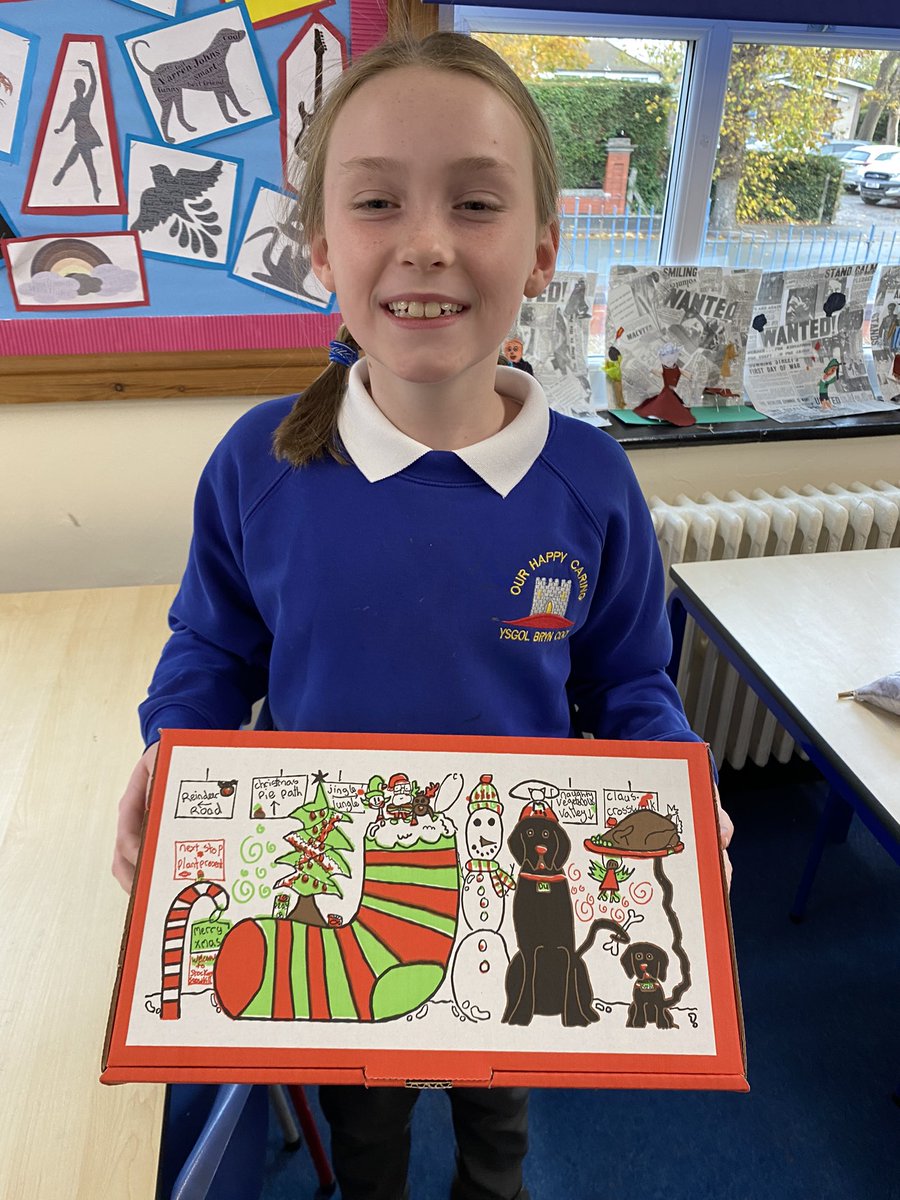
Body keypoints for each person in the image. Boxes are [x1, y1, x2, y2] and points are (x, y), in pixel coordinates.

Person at [113, 31, 733, 1200]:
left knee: (499, 1113)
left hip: (519, 882)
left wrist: (681, 792)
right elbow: (212, 645)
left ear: (542, 250)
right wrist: (173, 754)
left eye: (477, 202)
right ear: (322, 246)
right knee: (368, 1118)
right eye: (377, 201)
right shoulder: (259, 462)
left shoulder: (591, 481)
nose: (428, 242)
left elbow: (630, 683)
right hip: (334, 883)